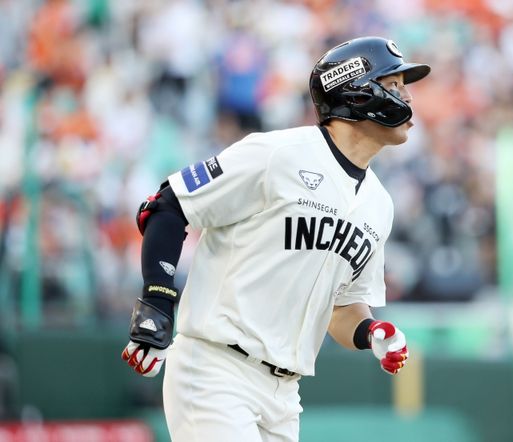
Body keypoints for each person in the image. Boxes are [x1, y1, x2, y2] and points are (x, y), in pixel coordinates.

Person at [121, 36, 431, 442]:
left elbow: (341, 309)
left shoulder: (379, 204)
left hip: (285, 395)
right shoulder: (277, 154)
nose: (407, 96)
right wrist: (158, 301)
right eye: (393, 84)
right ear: (357, 92)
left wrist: (371, 331)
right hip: (217, 369)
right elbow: (167, 205)